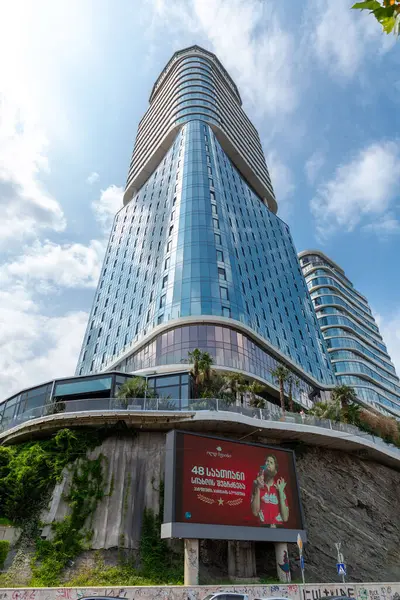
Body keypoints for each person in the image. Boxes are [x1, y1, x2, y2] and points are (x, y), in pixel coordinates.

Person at [250, 454, 289, 526]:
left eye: (271, 463)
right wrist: (258, 487)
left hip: (279, 529)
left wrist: (280, 492)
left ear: (275, 471)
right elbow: (255, 512)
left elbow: (285, 518)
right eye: (267, 461)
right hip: (263, 529)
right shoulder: (256, 484)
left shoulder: (279, 488)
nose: (268, 463)